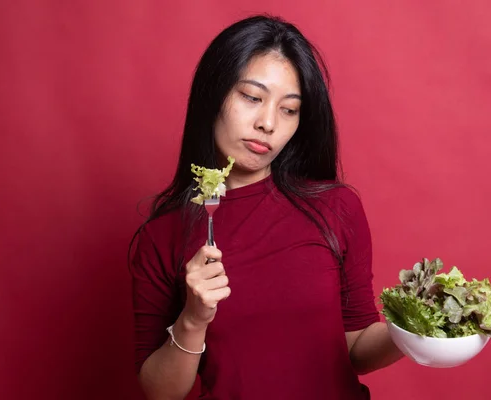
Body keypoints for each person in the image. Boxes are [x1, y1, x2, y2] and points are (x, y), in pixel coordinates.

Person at [129, 14, 404, 400]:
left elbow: (355, 349)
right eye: (252, 97)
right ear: (214, 95)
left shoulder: (336, 207)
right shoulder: (163, 235)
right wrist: (192, 319)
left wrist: (413, 332)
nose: (268, 123)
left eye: (289, 109)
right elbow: (161, 392)